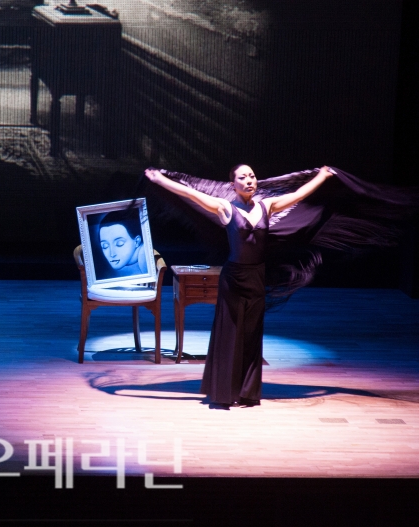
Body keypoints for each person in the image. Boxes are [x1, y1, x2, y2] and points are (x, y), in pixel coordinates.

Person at [145, 164, 336, 409]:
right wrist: (159, 180)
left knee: (251, 335)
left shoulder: (267, 206)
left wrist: (322, 176)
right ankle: (224, 393)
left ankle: (247, 392)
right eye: (243, 177)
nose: (249, 181)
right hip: (233, 278)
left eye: (252, 176)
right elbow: (190, 193)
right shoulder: (225, 207)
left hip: (256, 277)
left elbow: (298, 195)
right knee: (229, 335)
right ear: (233, 185)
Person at [96, 210, 149, 278]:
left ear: (137, 241)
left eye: (119, 244)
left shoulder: (144, 257)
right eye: (105, 246)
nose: (112, 254)